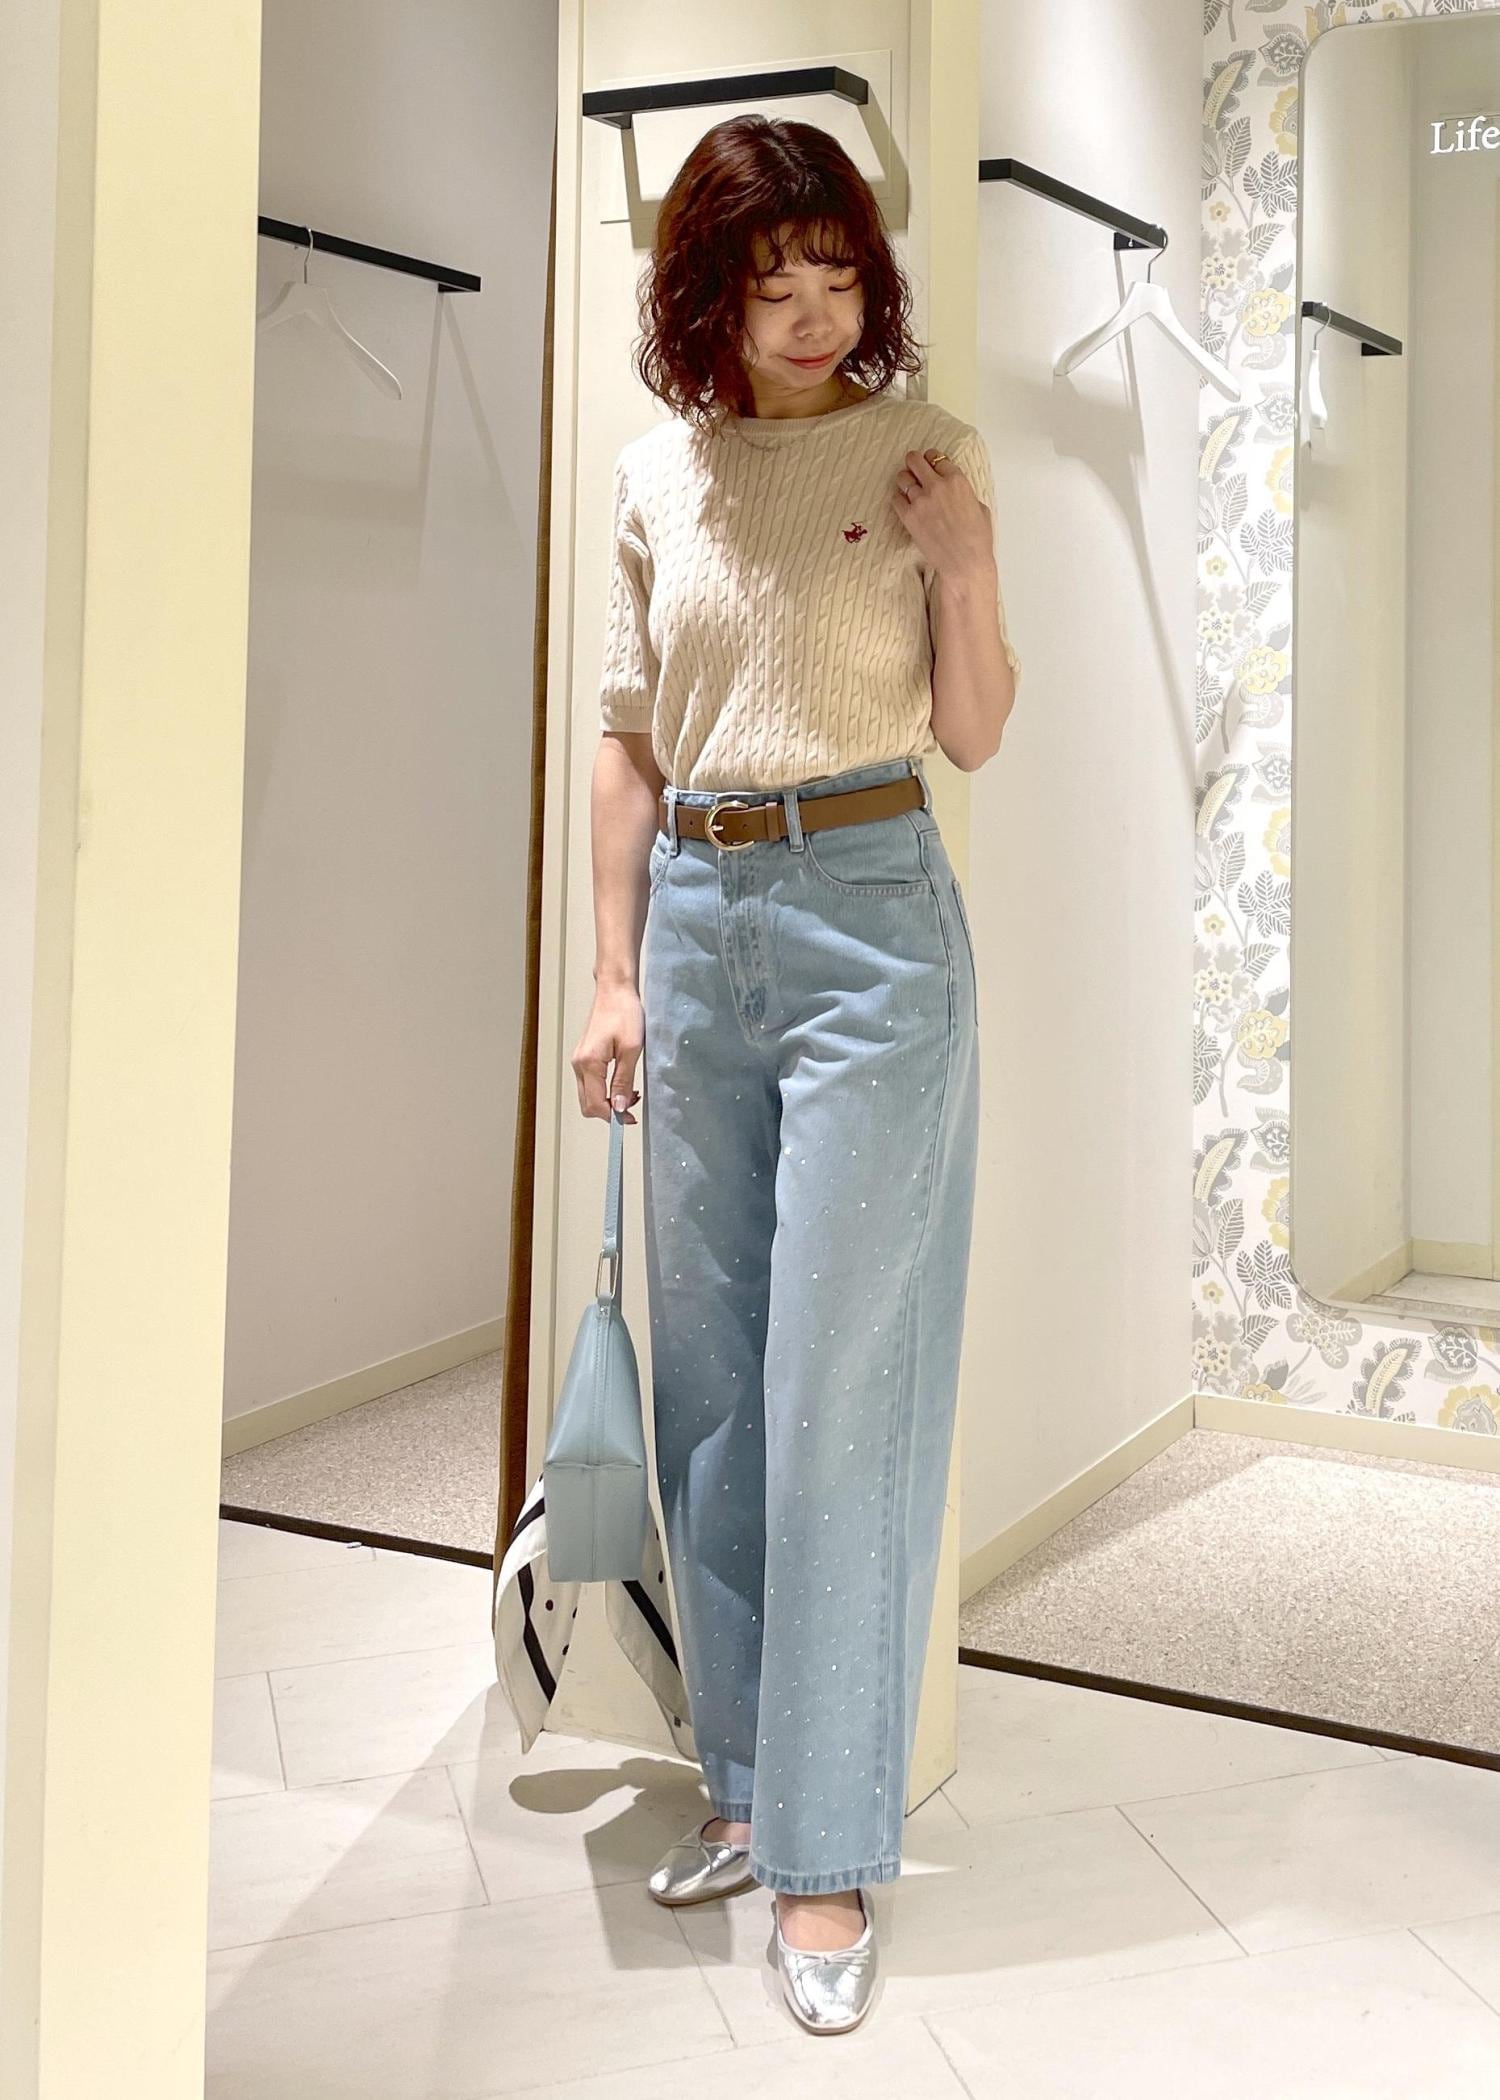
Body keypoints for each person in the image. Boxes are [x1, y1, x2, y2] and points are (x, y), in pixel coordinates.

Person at [570, 113, 1020, 2036]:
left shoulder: (926, 457)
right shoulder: (654, 475)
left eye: (841, 276)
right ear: (709, 297)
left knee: (841, 1391)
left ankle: (830, 1858)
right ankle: (750, 1790)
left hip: (872, 920)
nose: (817, 314)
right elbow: (627, 741)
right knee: (718, 1390)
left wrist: (967, 565)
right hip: (696, 918)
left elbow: (975, 732)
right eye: (776, 285)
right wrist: (612, 974)